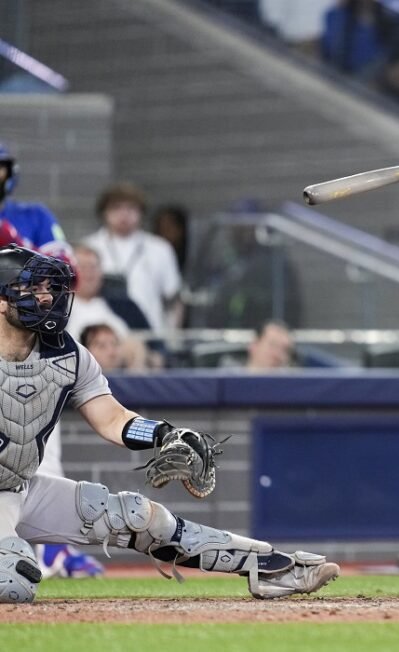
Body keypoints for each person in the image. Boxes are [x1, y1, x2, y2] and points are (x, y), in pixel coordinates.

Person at [0, 245, 339, 603]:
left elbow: (113, 418)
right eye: (32, 288)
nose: (46, 296)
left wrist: (164, 435)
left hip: (17, 488)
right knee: (12, 581)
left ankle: (272, 567)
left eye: (50, 287)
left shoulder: (68, 354)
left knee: (140, 518)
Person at [0, 144, 104, 579]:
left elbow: (65, 270)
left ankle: (51, 551)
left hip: (30, 342)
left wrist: (14, 246)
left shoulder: (31, 215)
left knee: (39, 448)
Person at [83, 183, 181, 335]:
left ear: (141, 212)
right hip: (103, 337)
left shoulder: (160, 248)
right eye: (116, 208)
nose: (124, 215)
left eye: (131, 208)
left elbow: (173, 298)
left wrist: (172, 336)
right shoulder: (89, 247)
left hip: (150, 334)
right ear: (104, 212)